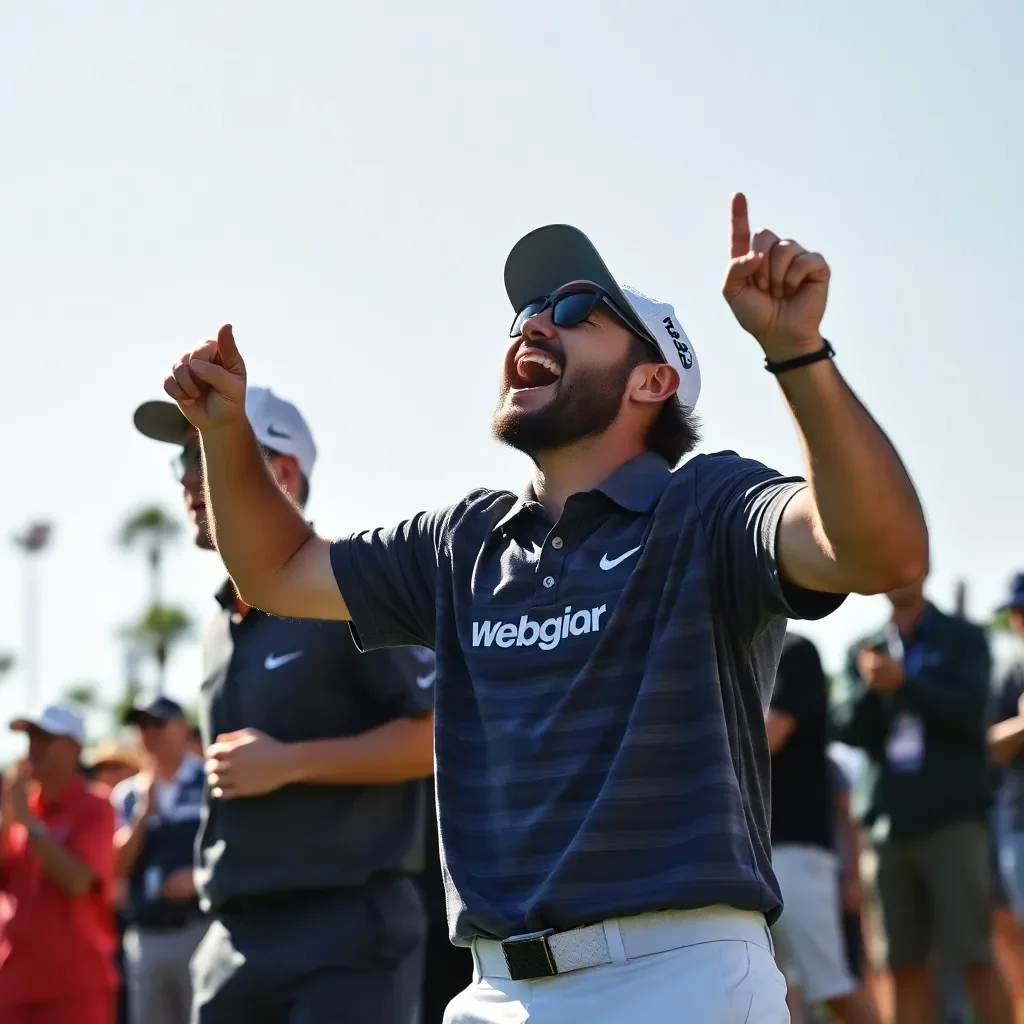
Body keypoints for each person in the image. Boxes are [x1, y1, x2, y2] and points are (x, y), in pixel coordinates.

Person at [161, 193, 928, 1023]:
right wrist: (226, 433)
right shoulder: (462, 541)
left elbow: (883, 553)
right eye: (524, 312)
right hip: (495, 990)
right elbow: (276, 570)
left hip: (679, 980)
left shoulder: (708, 505)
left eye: (573, 309)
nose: (532, 325)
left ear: (653, 379)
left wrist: (797, 353)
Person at [133, 385, 435, 1024]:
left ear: (285, 472)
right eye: (184, 459)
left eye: (206, 452)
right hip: (232, 939)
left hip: (346, 932)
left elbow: (434, 737)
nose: (189, 476)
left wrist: (290, 762)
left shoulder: (348, 588)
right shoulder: (220, 621)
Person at [833, 576, 1012, 1024]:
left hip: (953, 820)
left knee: (975, 953)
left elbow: (972, 711)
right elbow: (844, 726)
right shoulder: (865, 646)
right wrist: (871, 689)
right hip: (888, 827)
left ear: (924, 567)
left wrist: (906, 684)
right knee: (899, 963)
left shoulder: (964, 638)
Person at [765, 632, 878, 1022]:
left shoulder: (793, 651)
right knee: (772, 990)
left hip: (795, 847)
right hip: (751, 848)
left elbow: (763, 739)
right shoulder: (722, 654)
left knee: (832, 986)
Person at [0, 705, 118, 1024]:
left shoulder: (96, 805)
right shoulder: (22, 807)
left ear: (74, 748)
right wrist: (8, 820)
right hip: (13, 984)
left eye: (45, 738)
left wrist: (29, 824)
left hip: (75, 986)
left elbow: (78, 882)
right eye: (30, 737)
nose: (34, 747)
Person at [112, 696, 207, 1024]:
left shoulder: (211, 780)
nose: (149, 733)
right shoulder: (126, 795)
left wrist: (199, 879)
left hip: (204, 929)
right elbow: (114, 867)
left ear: (182, 727)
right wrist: (142, 815)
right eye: (142, 726)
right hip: (147, 937)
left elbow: (243, 847)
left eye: (158, 723)